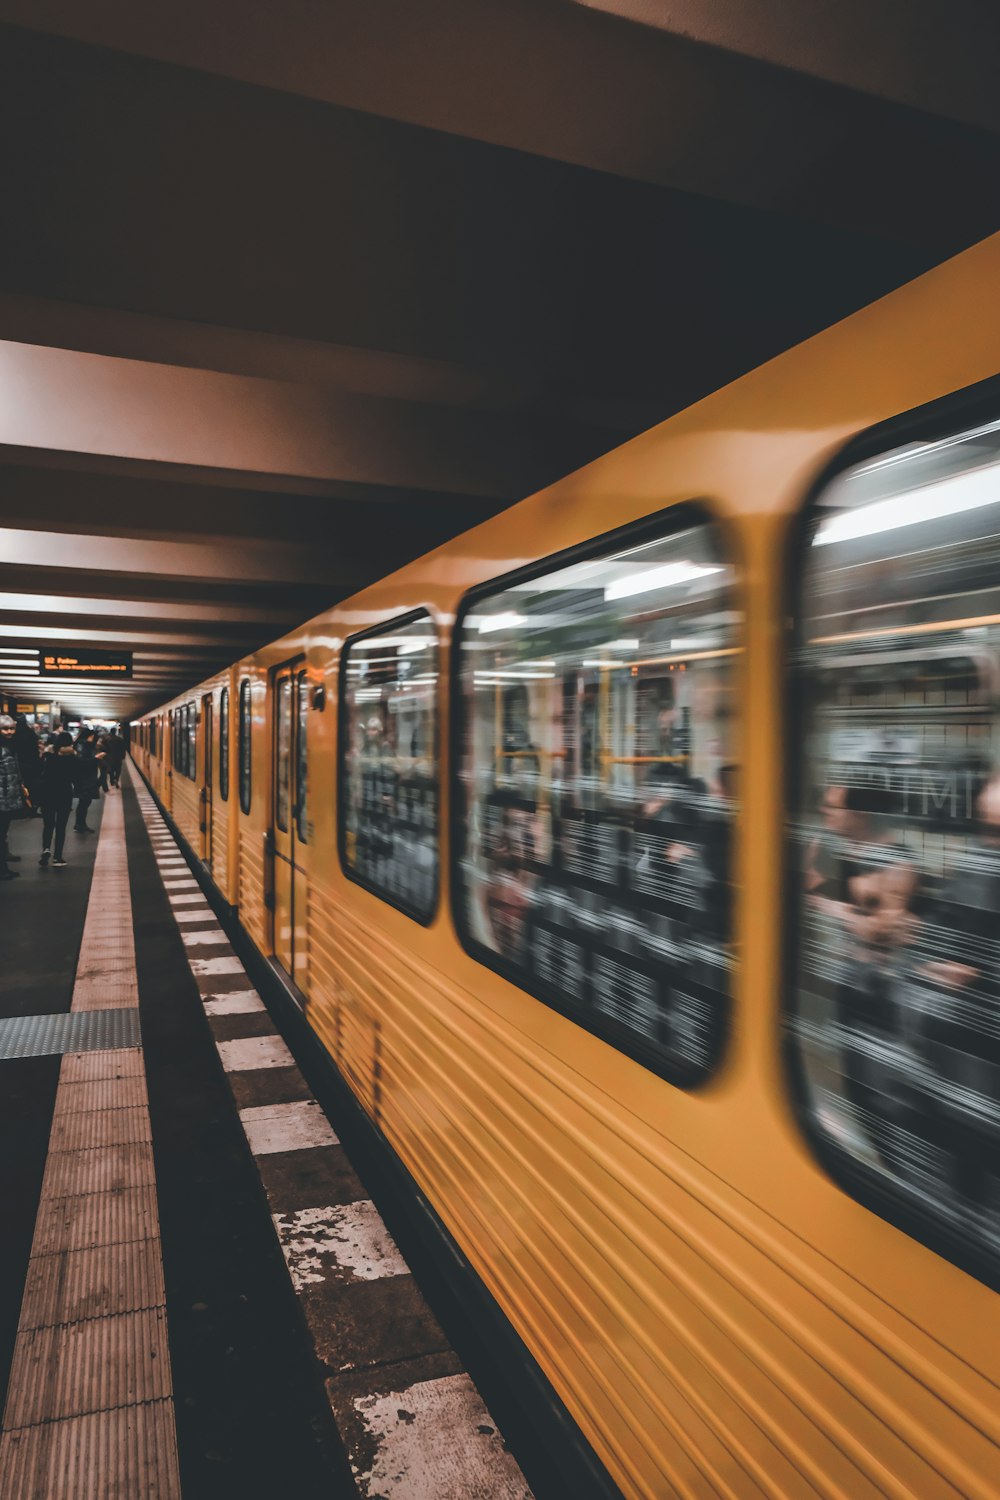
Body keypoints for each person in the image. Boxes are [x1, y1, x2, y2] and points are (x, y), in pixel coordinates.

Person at [37, 732, 76, 867]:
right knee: (61, 826)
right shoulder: (72, 758)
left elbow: (40, 774)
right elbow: (74, 776)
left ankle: (46, 849)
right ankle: (57, 857)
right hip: (64, 794)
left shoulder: (47, 756)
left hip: (47, 793)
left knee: (48, 825)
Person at [0, 715, 25, 879]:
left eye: (12, 728)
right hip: (3, 798)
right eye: (5, 729)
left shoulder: (9, 746)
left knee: (3, 833)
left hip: (7, 798)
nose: (9, 732)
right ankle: (2, 870)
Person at [73, 728, 105, 832]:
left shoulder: (80, 745)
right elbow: (82, 762)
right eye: (92, 736)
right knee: (84, 802)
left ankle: (80, 824)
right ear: (89, 736)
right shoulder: (83, 745)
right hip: (85, 778)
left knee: (85, 802)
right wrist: (96, 758)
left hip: (84, 777)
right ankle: (80, 824)